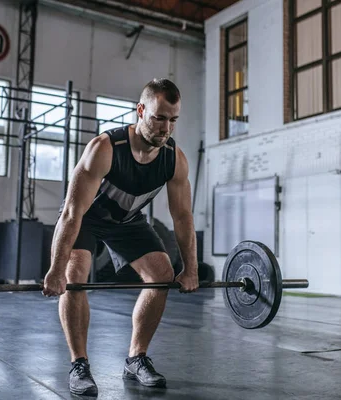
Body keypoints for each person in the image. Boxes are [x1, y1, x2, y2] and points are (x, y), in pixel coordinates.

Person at [42, 78, 199, 396]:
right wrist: (56, 270)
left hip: (126, 220)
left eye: (173, 120)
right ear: (141, 111)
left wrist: (191, 269)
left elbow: (182, 217)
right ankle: (79, 363)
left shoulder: (174, 159)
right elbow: (72, 214)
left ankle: (136, 357)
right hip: (86, 218)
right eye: (159, 118)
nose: (165, 128)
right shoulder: (106, 148)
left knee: (161, 275)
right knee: (75, 276)